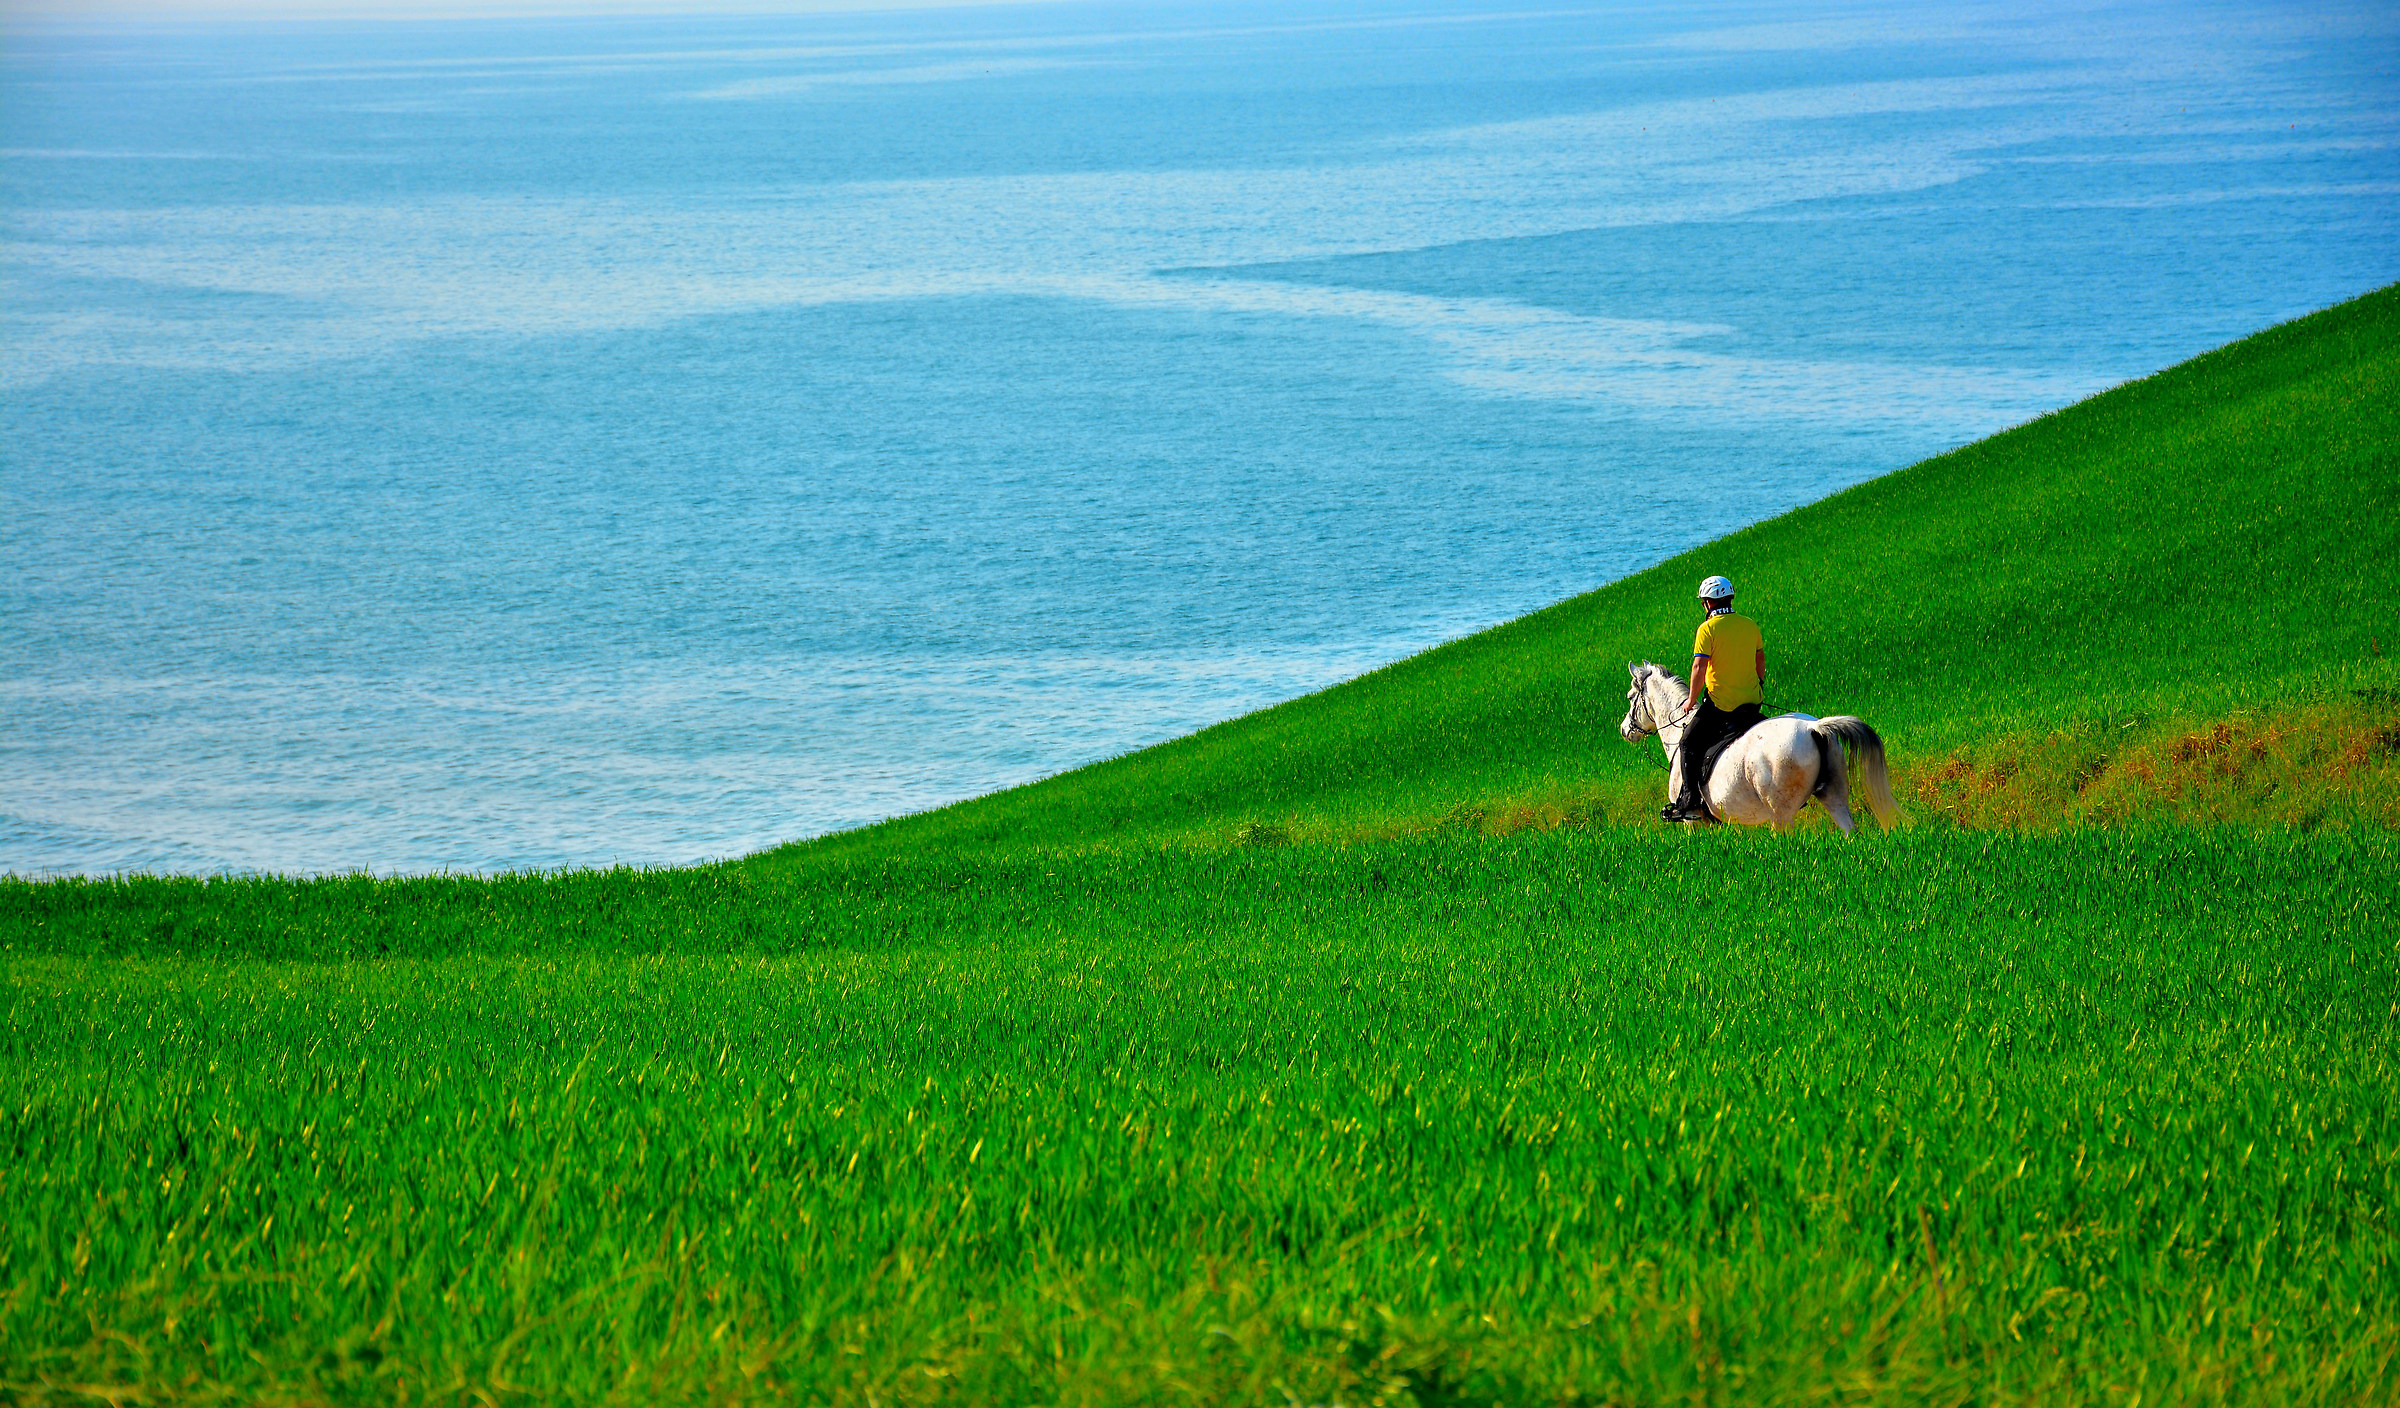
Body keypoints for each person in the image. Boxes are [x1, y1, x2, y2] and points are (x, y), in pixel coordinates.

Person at [1662, 575, 1765, 823]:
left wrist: (1690, 700)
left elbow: (1699, 667)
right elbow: (1760, 660)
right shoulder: (1749, 624)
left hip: (1722, 706)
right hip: (1752, 702)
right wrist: (1757, 685)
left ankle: (1690, 803)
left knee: (1687, 743)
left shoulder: (1707, 628)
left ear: (1708, 603)